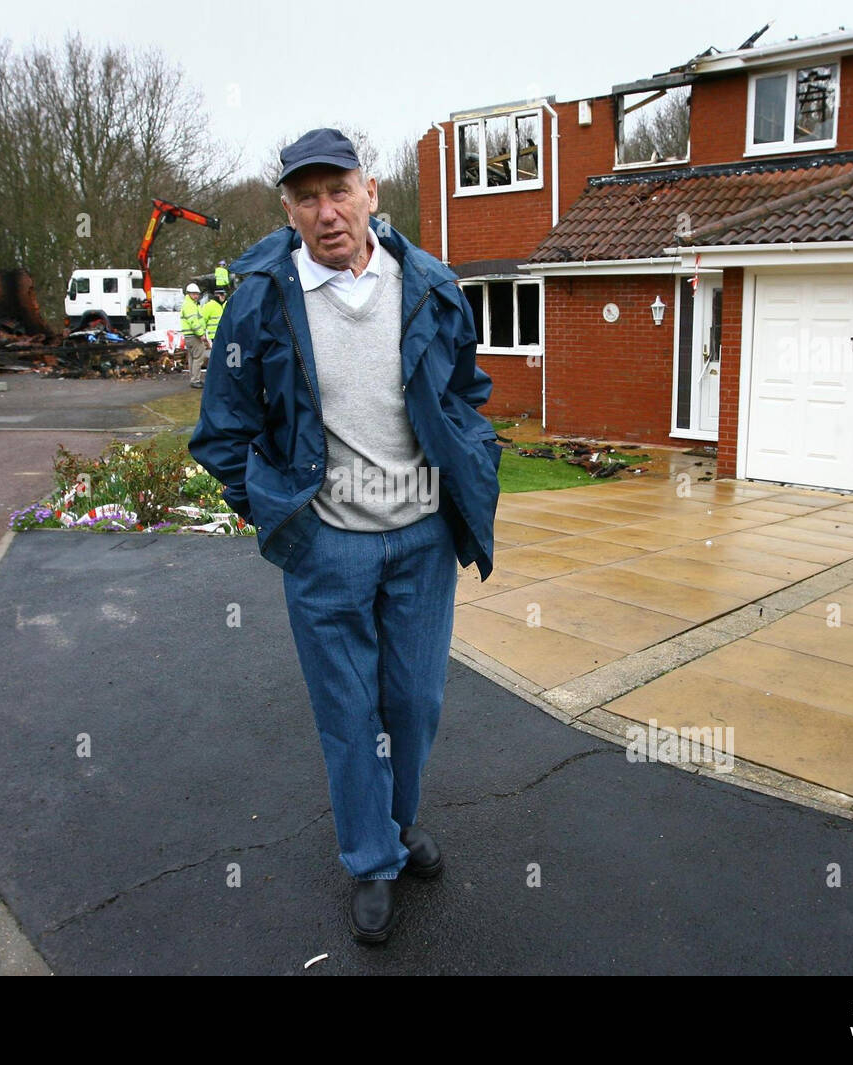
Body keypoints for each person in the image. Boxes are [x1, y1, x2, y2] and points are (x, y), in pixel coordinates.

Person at [188, 128, 500, 944]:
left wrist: (470, 465)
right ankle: (369, 858)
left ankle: (396, 828)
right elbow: (222, 431)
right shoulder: (259, 297)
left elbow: (467, 391)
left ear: (369, 189)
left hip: (422, 539)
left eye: (339, 191)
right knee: (349, 709)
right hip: (328, 546)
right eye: (307, 198)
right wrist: (281, 514)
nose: (327, 212)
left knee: (415, 703)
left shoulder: (428, 284)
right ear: (287, 209)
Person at [181, 282, 208, 388]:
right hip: (194, 335)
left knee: (192, 358)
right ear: (188, 294)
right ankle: (195, 380)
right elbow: (193, 321)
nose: (196, 296)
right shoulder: (190, 305)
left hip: (189, 335)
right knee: (198, 358)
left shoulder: (189, 304)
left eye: (197, 294)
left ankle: (194, 379)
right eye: (194, 294)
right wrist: (201, 334)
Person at [199, 288, 225, 380]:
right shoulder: (209, 306)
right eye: (222, 295)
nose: (223, 297)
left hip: (224, 336)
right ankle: (215, 376)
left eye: (224, 295)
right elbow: (202, 320)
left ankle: (221, 375)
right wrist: (202, 334)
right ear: (217, 295)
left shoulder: (224, 305)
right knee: (217, 356)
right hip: (214, 336)